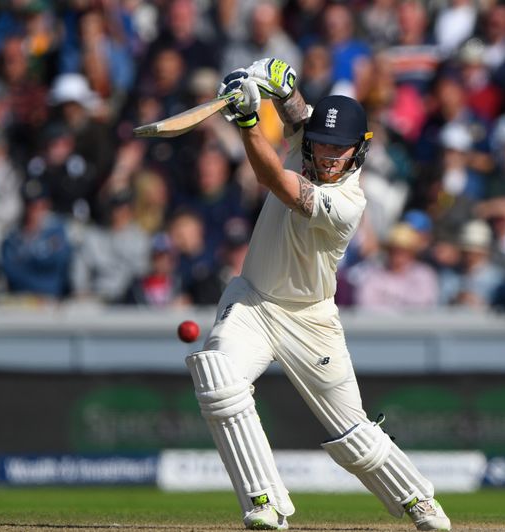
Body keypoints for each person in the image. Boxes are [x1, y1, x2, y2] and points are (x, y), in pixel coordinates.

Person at [184, 58, 451, 531]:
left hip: (311, 319)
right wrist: (274, 80)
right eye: (322, 144)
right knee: (219, 380)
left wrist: (248, 122)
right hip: (253, 301)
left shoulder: (348, 203)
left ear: (359, 152)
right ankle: (264, 502)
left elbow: (274, 181)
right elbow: (297, 113)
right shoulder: (303, 144)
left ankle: (418, 501)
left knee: (354, 439)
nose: (328, 155)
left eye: (340, 148)